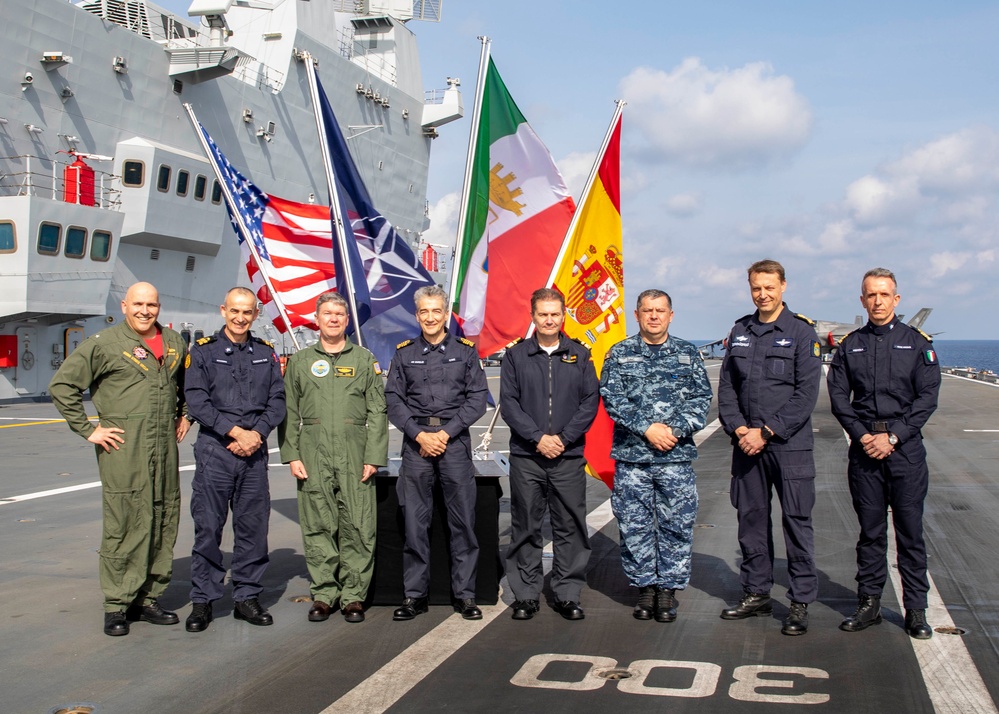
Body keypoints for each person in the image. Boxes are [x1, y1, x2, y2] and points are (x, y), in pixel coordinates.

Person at [50, 282, 190, 637]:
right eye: (138, 304)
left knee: (163, 515)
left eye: (152, 304)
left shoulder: (174, 343)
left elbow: (187, 386)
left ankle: (148, 597)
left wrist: (185, 414)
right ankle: (117, 603)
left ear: (160, 307)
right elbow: (63, 385)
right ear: (125, 306)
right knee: (124, 520)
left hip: (163, 445)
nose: (145, 311)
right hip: (123, 448)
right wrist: (88, 429)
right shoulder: (104, 344)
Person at [827, 268, 941, 640]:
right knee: (870, 533)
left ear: (896, 299)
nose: (877, 302)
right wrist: (863, 437)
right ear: (862, 300)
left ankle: (917, 610)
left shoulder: (916, 343)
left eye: (883, 295)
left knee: (910, 533)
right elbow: (839, 398)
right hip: (865, 453)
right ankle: (870, 603)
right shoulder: (851, 345)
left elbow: (927, 398)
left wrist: (892, 437)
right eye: (870, 295)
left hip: (905, 451)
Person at [716, 259, 821, 636]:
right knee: (751, 522)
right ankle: (756, 592)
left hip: (788, 447)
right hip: (746, 446)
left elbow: (806, 394)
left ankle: (799, 600)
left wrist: (766, 431)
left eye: (769, 287)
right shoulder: (740, 329)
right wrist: (740, 428)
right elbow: (727, 387)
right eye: (756, 288)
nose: (763, 294)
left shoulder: (801, 332)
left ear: (783, 287)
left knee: (796, 523)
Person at [600, 289, 712, 623]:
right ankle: (644, 588)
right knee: (634, 525)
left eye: (660, 310)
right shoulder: (620, 353)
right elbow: (613, 398)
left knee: (676, 524)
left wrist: (673, 430)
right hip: (633, 457)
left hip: (674, 458)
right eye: (647, 310)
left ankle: (668, 591)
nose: (653, 316)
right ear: (636, 315)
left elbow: (701, 399)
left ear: (670, 315)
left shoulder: (687, 354)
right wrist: (647, 428)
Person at [279, 292, 388, 624]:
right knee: (318, 524)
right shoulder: (300, 362)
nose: (334, 319)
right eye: (327, 313)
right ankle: (325, 594)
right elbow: (288, 410)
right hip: (313, 451)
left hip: (355, 452)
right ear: (317, 319)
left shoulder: (363, 360)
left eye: (339, 314)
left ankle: (353, 595)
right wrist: (292, 454)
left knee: (358, 525)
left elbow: (378, 411)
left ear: (346, 320)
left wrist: (373, 456)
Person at [183, 287, 285, 632]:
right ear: (223, 310)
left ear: (256, 315)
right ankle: (203, 601)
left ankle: (246, 597)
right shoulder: (202, 352)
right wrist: (234, 432)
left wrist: (255, 433)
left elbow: (277, 401)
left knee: (253, 528)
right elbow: (196, 400)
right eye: (235, 311)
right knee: (208, 528)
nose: (241, 318)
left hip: (254, 452)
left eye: (248, 312)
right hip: (216, 450)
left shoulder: (265, 353)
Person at [384, 286, 488, 621]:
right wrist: (419, 435)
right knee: (415, 524)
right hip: (416, 446)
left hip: (453, 443)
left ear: (446, 315)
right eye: (424, 312)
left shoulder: (466, 352)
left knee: (463, 524)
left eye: (436, 311)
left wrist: (444, 433)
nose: (430, 317)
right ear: (417, 316)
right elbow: (394, 401)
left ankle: (466, 595)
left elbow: (477, 399)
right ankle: (414, 596)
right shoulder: (403, 354)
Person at [501, 288, 600, 621]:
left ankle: (567, 593)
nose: (549, 320)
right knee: (526, 525)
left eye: (555, 314)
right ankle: (526, 595)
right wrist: (537, 438)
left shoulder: (581, 355)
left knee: (570, 526)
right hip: (527, 456)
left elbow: (590, 402)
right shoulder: (516, 356)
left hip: (568, 456)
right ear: (533, 316)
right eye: (542, 314)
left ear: (563, 315)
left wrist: (564, 437)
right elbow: (510, 404)